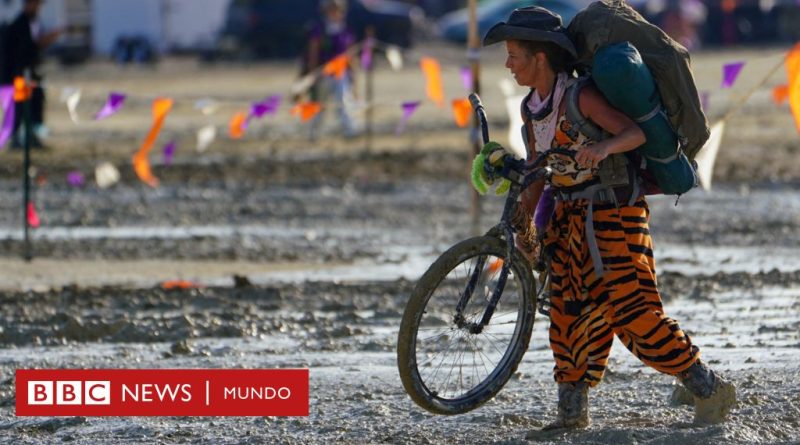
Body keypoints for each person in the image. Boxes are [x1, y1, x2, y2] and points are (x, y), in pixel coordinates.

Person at [482, 6, 736, 430]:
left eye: (514, 55)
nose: (508, 65)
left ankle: (708, 386)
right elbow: (537, 176)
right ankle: (570, 414)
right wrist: (525, 230)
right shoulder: (530, 111)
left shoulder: (580, 97)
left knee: (633, 312)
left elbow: (632, 134)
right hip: (568, 220)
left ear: (540, 58)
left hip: (614, 215)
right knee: (567, 314)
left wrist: (601, 150)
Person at [1, 0, 60, 149]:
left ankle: (32, 138)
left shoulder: (33, 23)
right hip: (17, 76)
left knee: (34, 105)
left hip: (29, 75)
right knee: (18, 109)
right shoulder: (19, 25)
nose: (38, 8)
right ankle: (16, 140)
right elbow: (23, 51)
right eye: (36, 4)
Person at [301, 0, 359, 139]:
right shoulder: (319, 29)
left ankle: (349, 131)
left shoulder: (345, 30)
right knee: (318, 104)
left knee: (344, 101)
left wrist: (353, 74)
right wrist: (313, 73)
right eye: (332, 9)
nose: (336, 13)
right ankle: (313, 132)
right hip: (323, 73)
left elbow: (350, 54)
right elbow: (313, 52)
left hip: (340, 73)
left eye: (338, 10)